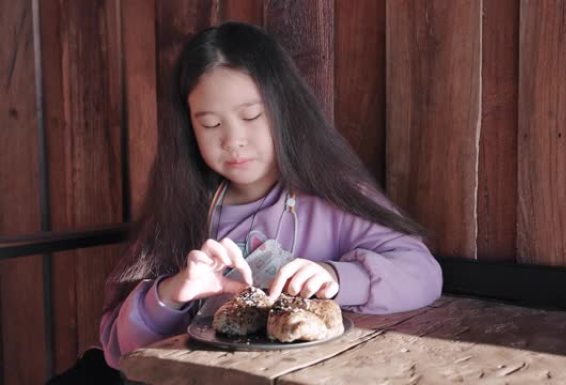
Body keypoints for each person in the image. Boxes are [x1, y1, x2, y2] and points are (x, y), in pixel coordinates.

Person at [99, 21, 442, 370]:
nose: (233, 140)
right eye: (211, 125)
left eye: (251, 116)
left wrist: (337, 278)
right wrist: (171, 293)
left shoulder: (333, 198)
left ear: (284, 110)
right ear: (189, 129)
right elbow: (118, 349)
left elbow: (424, 275)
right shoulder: (180, 210)